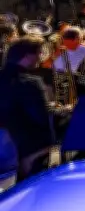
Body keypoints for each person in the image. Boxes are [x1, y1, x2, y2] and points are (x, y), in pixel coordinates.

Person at [0, 37, 53, 181]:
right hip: (25, 149)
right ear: (28, 55)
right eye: (38, 53)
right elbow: (41, 118)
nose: (40, 58)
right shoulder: (31, 82)